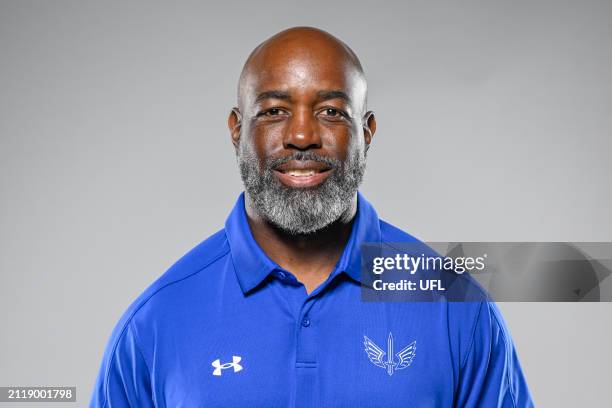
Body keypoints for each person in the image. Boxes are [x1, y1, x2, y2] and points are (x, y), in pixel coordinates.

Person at [90, 26, 534, 407]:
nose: (302, 136)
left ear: (366, 131)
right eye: (274, 111)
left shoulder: (454, 307)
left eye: (330, 112)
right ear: (236, 129)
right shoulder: (157, 321)